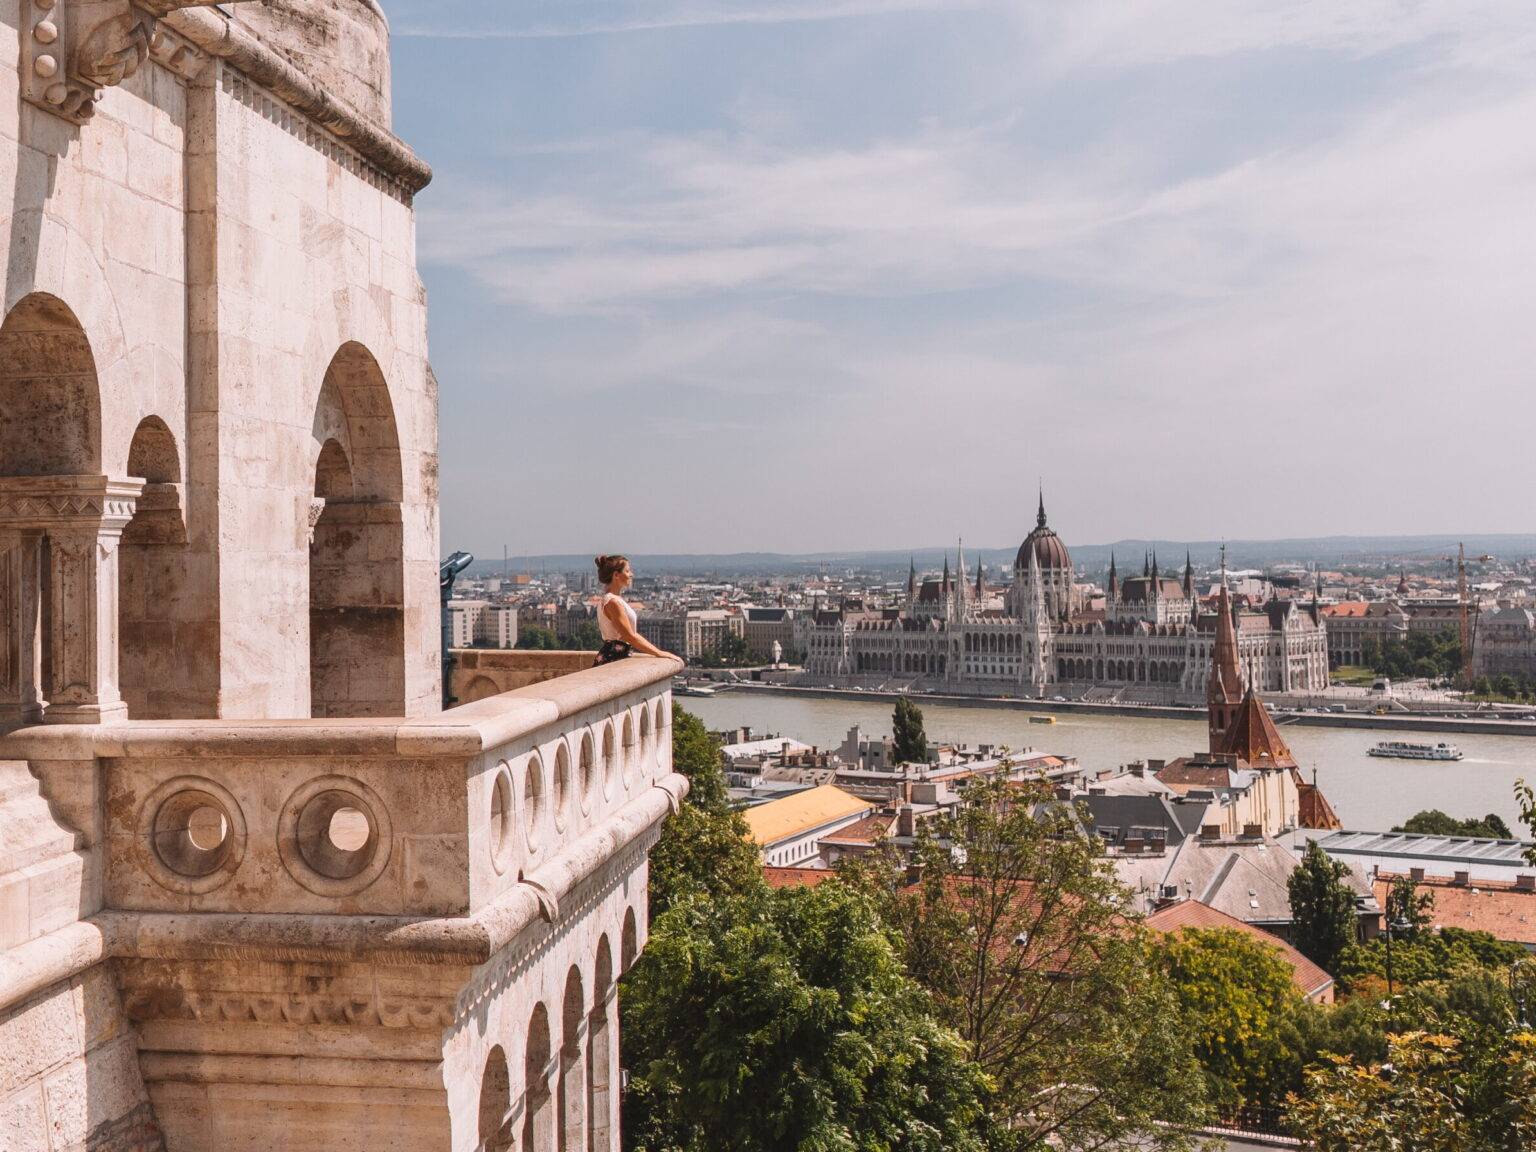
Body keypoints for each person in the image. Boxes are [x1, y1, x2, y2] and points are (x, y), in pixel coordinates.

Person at [594, 554, 671, 664]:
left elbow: (630, 634)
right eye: (627, 571)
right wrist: (659, 653)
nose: (631, 574)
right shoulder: (612, 602)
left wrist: (658, 652)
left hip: (613, 654)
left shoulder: (610, 599)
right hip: (614, 656)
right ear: (616, 575)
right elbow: (629, 636)